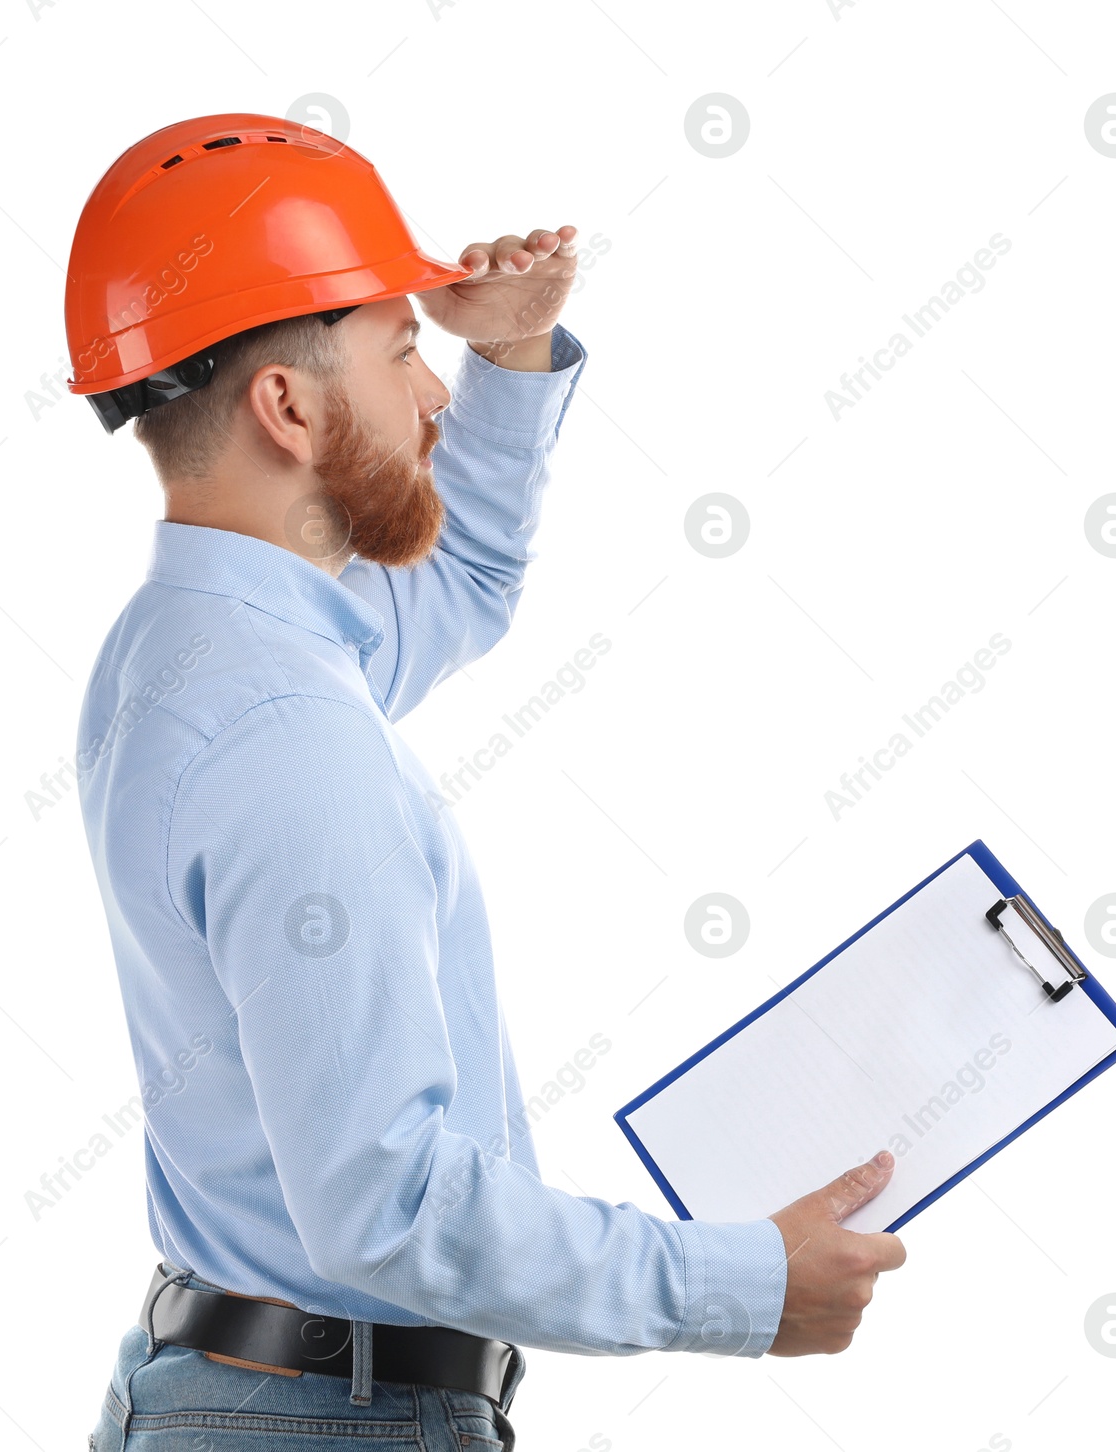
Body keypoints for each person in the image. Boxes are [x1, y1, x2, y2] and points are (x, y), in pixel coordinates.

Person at [68, 114, 906, 1452]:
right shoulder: (286, 727)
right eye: (406, 353)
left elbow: (454, 585)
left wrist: (506, 347)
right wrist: (745, 1287)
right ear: (288, 406)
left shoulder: (192, 643)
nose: (438, 397)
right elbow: (388, 1205)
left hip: (239, 1396)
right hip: (330, 1424)